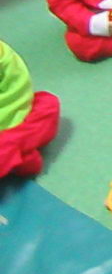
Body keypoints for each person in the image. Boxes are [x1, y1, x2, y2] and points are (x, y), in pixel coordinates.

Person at [0, 39, 60, 179]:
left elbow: (17, 86)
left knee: (48, 102)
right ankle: (18, 149)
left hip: (16, 114)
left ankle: (16, 149)